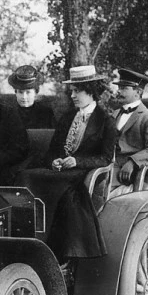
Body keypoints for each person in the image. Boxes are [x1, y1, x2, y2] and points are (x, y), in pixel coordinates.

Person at [16, 65, 117, 262]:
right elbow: (52, 150)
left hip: (82, 173)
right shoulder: (67, 117)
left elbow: (105, 158)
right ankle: (28, 241)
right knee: (25, 177)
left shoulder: (106, 121)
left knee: (67, 195)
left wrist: (77, 161)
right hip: (60, 171)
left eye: (77, 91)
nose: (72, 95)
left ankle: (59, 253)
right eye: (72, 91)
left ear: (90, 92)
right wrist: (53, 161)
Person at [110, 68, 148, 195]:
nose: (119, 91)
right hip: (108, 168)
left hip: (127, 175)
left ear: (138, 92)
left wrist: (133, 162)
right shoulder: (114, 114)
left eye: (124, 88)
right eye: (119, 88)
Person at [8, 65, 56, 129]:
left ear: (35, 92)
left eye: (28, 92)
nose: (24, 97)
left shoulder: (46, 113)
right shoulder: (8, 114)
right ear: (16, 92)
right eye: (20, 92)